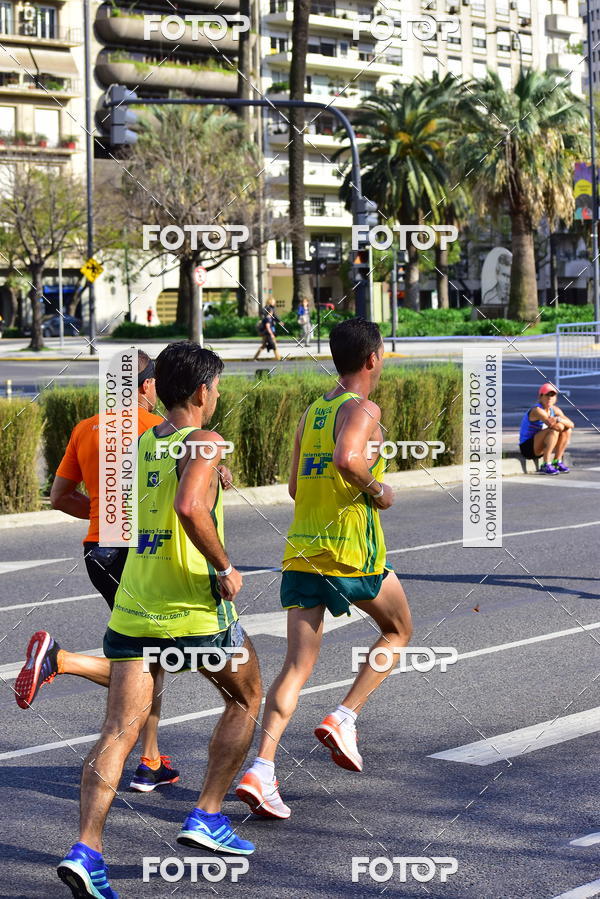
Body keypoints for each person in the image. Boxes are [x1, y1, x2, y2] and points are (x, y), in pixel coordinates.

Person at [57, 341, 262, 899]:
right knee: (245, 697)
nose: (217, 396)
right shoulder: (205, 441)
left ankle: (87, 850)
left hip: (133, 608)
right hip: (194, 610)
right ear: (201, 392)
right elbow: (188, 506)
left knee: (117, 731)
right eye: (216, 388)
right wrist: (224, 564)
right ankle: (207, 815)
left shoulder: (143, 441)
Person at [236, 318, 412, 819]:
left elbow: (294, 486)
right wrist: (379, 491)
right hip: (351, 549)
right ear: (373, 359)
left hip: (303, 548)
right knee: (398, 630)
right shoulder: (364, 408)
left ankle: (263, 769)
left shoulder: (314, 409)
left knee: (296, 666)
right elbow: (348, 458)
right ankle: (343, 715)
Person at [14, 351, 180, 793]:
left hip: (98, 549)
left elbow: (60, 496)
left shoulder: (85, 428)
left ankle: (149, 758)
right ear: (146, 386)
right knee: (152, 658)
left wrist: (106, 514)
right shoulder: (157, 429)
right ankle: (60, 659)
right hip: (143, 552)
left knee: (151, 656)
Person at [518, 382, 574, 475]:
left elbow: (571, 424)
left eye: (552, 395)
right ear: (540, 397)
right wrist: (560, 423)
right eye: (547, 395)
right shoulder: (537, 410)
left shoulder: (555, 409)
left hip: (539, 445)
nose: (549, 398)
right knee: (554, 430)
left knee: (567, 430)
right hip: (527, 447)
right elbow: (553, 425)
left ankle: (557, 462)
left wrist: (558, 419)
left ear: (555, 398)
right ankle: (546, 464)